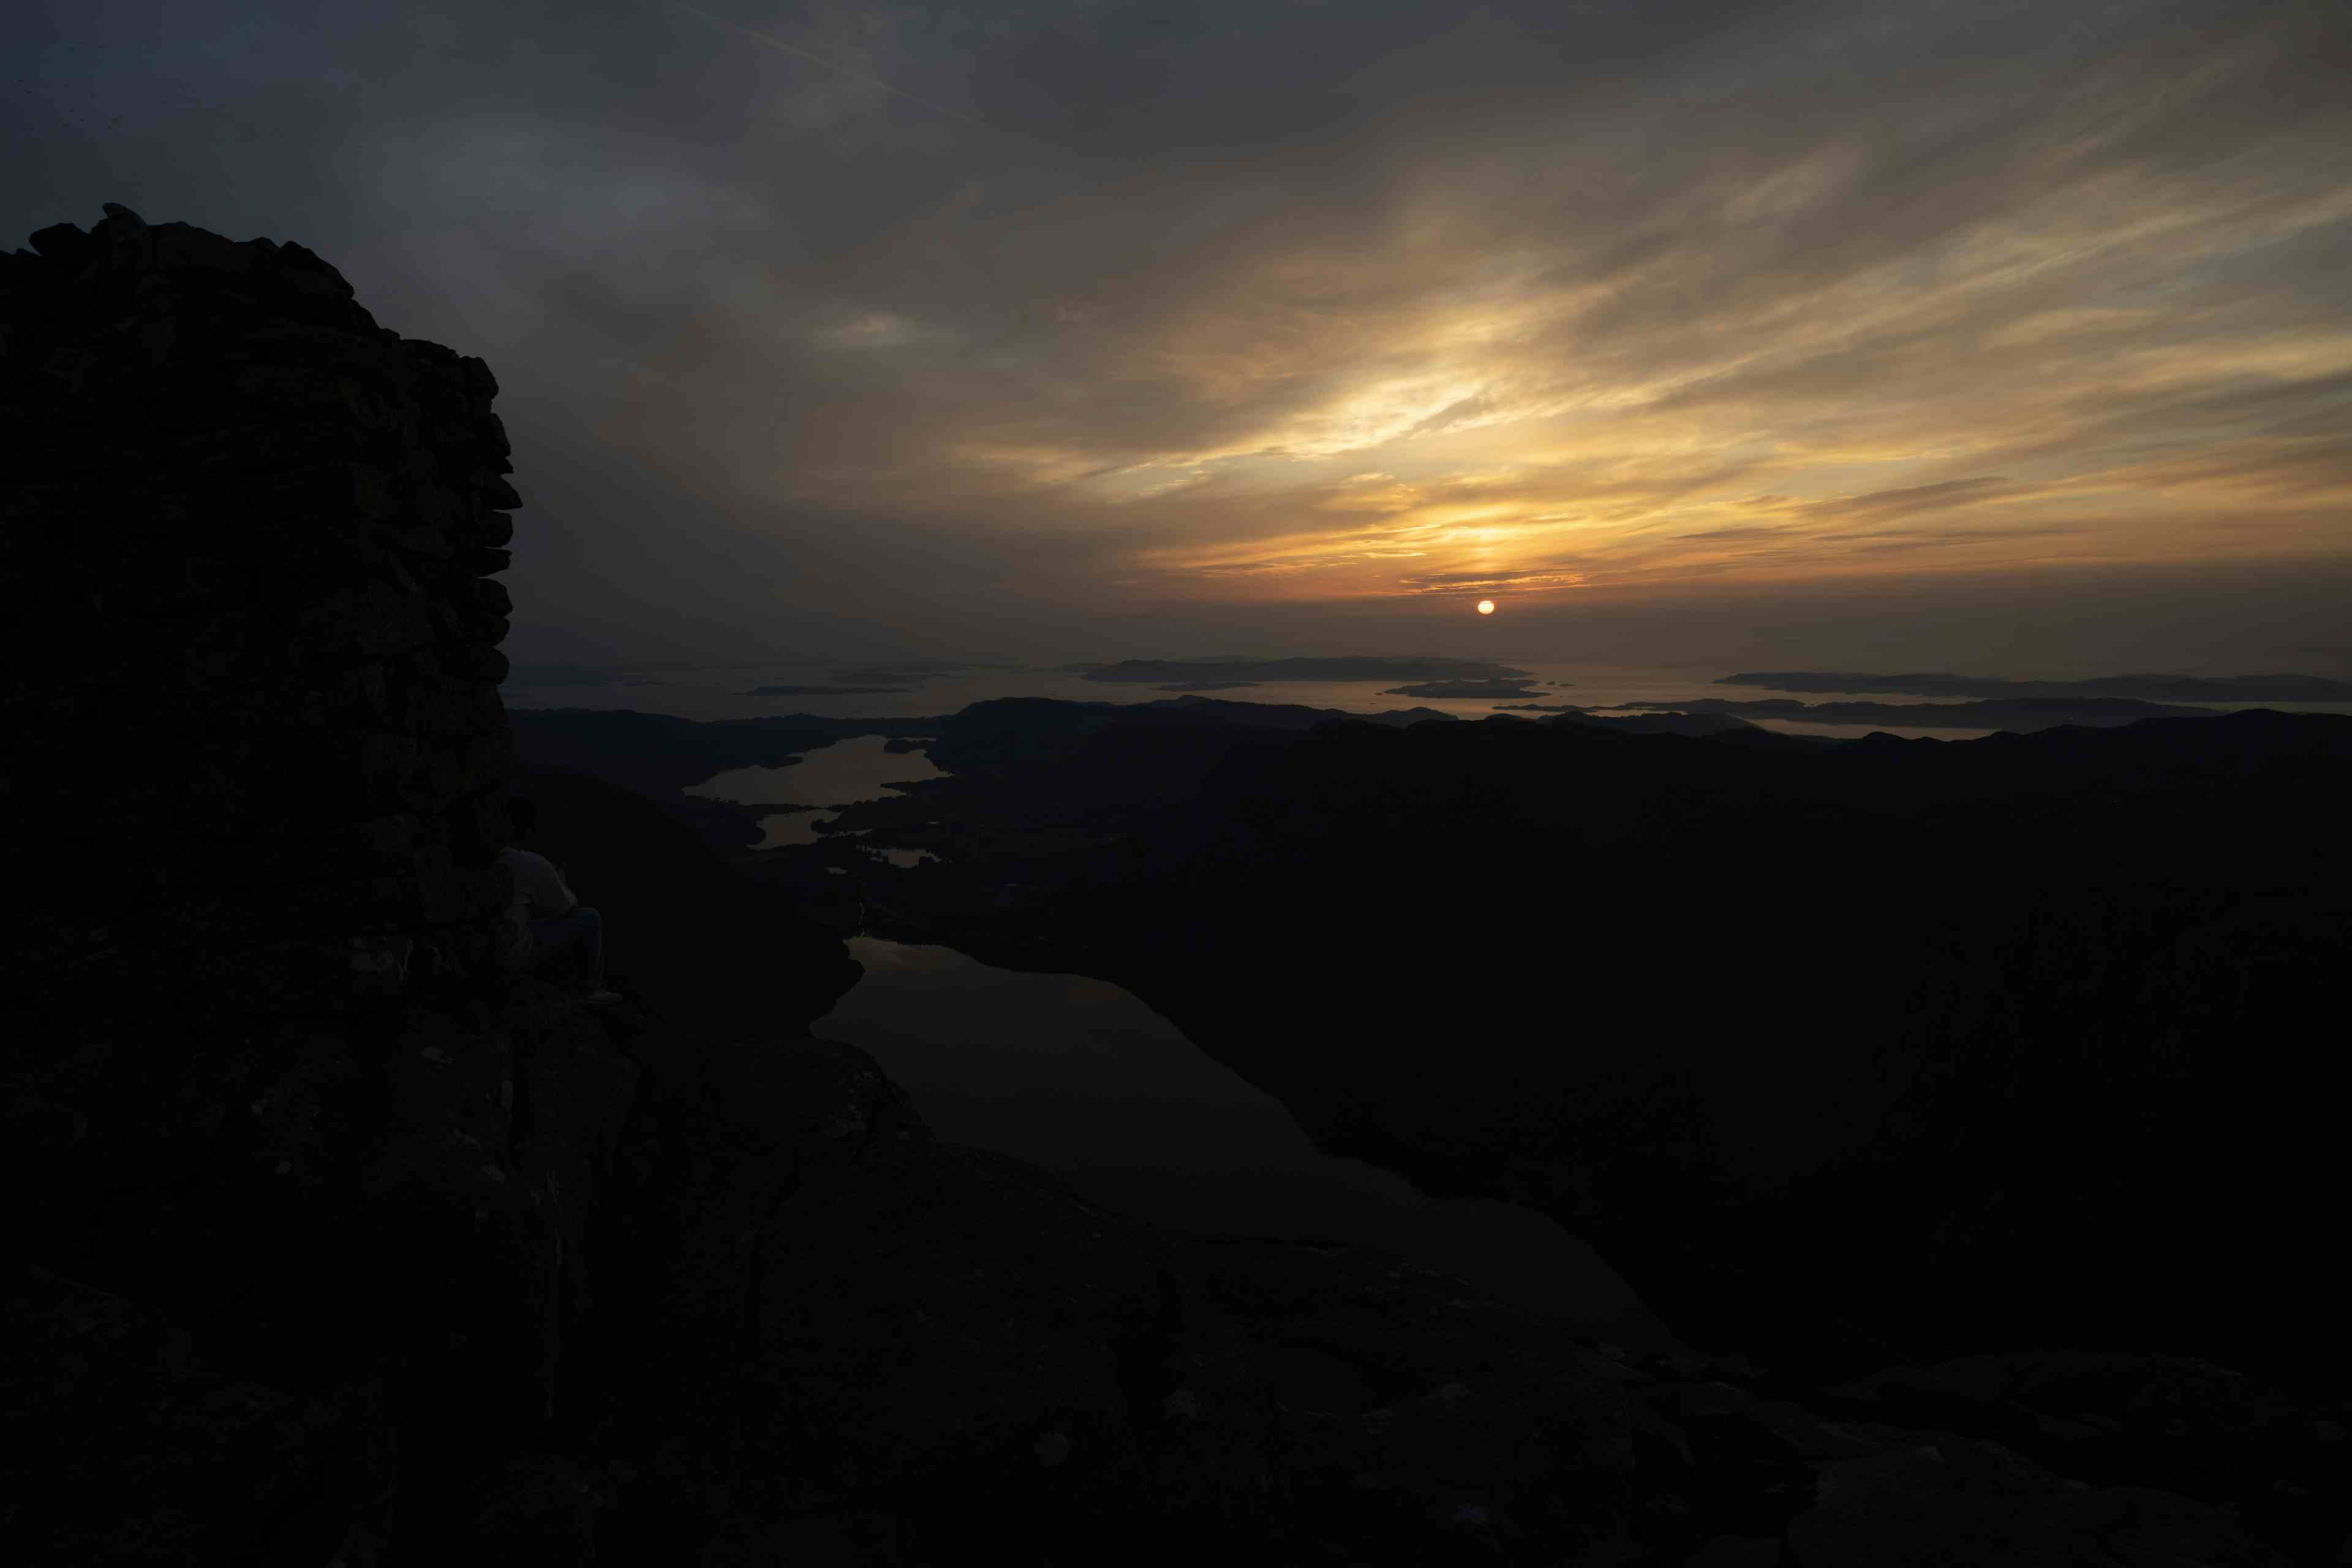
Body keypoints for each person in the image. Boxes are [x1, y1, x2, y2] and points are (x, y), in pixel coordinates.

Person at [499, 798, 621, 1005]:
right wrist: (561, 882)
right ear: (528, 830)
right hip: (513, 955)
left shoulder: (493, 857)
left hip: (490, 944)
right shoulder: (531, 863)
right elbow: (567, 908)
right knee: (591, 918)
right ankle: (589, 990)